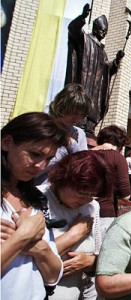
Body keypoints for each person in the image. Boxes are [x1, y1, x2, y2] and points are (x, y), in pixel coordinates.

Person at [1, 112, 68, 299]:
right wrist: (23, 237)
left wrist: (39, 247)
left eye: (48, 158)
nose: (41, 166)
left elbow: (54, 274)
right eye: (35, 154)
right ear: (6, 142)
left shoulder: (37, 199)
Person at [37, 150, 113, 299]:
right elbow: (24, 256)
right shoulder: (35, 200)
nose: (86, 200)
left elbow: (98, 257)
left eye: (92, 195)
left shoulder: (92, 207)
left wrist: (90, 262)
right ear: (63, 178)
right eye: (82, 193)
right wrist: (74, 235)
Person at [66, 4, 125, 138]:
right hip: (84, 81)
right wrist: (82, 18)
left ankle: (89, 128)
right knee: (82, 101)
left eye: (105, 31)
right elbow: (73, 30)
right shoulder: (85, 40)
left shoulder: (102, 52)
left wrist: (116, 60)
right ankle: (79, 123)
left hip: (96, 87)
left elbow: (108, 70)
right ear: (95, 28)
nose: (103, 33)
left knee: (94, 106)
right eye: (102, 30)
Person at [34, 83, 93, 185]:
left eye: (82, 115)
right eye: (74, 112)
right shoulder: (40, 126)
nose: (77, 118)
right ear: (62, 105)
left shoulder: (78, 133)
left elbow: (83, 165)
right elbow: (33, 167)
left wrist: (72, 144)